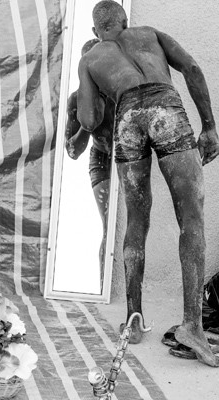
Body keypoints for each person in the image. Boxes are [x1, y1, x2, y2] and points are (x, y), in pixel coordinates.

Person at [77, 0, 219, 367]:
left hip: (127, 120)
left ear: (97, 31)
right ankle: (192, 325)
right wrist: (209, 125)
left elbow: (91, 121)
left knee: (137, 222)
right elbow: (192, 67)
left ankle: (134, 318)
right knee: (191, 219)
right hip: (164, 108)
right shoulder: (149, 33)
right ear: (124, 21)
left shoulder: (91, 58)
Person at [65, 38, 114, 278]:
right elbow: (72, 152)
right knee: (110, 228)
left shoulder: (122, 88)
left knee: (128, 226)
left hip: (129, 158)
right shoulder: (77, 99)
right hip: (102, 159)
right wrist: (87, 124)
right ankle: (103, 285)